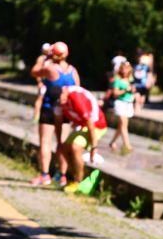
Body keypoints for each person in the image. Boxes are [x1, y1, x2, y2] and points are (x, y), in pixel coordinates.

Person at [29, 41, 79, 186]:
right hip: (65, 112)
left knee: (45, 142)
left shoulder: (50, 69)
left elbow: (34, 72)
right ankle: (62, 176)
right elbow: (77, 91)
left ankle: (45, 175)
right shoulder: (73, 71)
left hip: (49, 108)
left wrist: (43, 59)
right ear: (67, 54)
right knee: (62, 143)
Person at [57, 85, 108, 193]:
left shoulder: (77, 99)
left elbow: (90, 123)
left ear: (64, 92)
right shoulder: (58, 102)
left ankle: (78, 182)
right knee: (64, 148)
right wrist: (59, 142)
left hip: (96, 125)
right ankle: (74, 177)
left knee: (75, 147)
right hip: (83, 125)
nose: (60, 101)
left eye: (61, 97)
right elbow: (58, 122)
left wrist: (94, 147)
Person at [108, 60, 134, 153]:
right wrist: (125, 90)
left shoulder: (130, 80)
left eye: (127, 68)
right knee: (124, 124)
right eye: (123, 68)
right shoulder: (117, 80)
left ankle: (112, 142)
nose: (125, 70)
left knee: (121, 126)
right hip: (120, 103)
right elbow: (115, 94)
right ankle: (127, 145)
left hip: (129, 103)